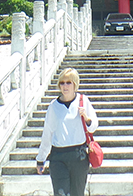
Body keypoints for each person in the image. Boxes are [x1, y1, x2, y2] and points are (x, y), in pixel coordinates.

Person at [35, 67, 99, 196]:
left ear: (75, 84)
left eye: (69, 82)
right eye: (62, 83)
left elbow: (93, 126)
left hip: (78, 156)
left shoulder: (83, 101)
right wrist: (40, 159)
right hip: (59, 157)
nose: (65, 86)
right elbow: (47, 134)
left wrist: (86, 117)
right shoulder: (53, 106)